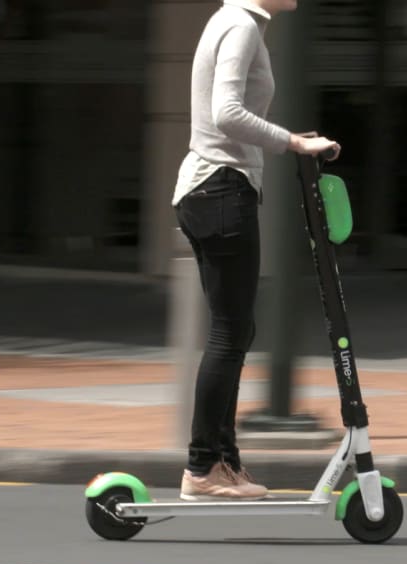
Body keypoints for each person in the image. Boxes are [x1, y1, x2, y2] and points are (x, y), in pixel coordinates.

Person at [171, 0, 341, 501]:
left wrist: (292, 140)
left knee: (235, 331)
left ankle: (221, 462)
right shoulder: (241, 25)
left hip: (211, 189)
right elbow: (226, 114)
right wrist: (293, 143)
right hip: (221, 189)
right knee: (230, 334)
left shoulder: (236, 23)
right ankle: (203, 468)